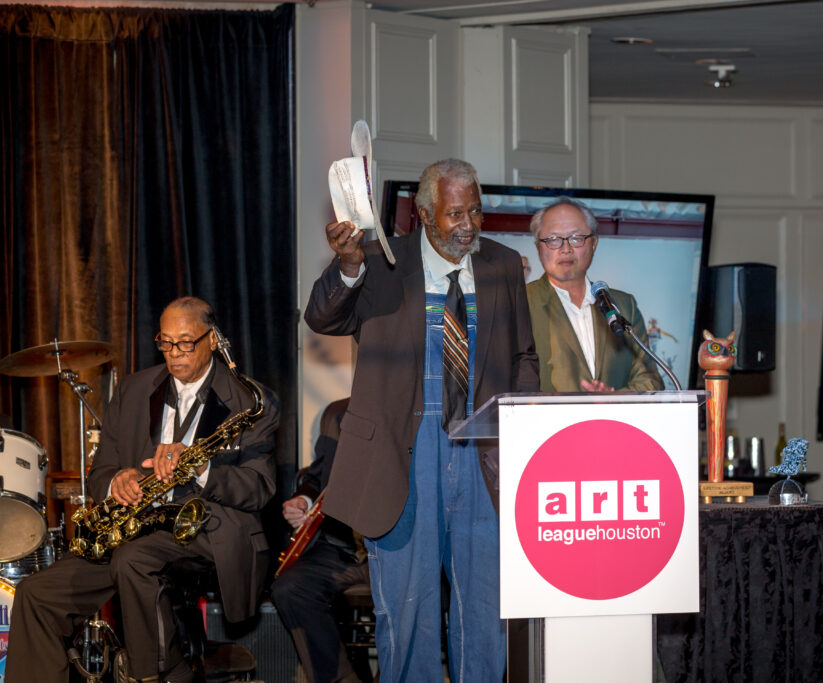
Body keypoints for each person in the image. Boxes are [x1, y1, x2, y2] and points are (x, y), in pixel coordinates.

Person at [303, 158, 539, 682]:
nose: (469, 225)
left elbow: (524, 356)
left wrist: (519, 429)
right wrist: (347, 265)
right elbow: (323, 317)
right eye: (456, 214)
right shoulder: (379, 260)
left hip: (483, 456)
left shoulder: (501, 264)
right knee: (407, 613)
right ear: (425, 216)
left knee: (485, 611)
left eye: (476, 211)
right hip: (403, 455)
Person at [6, 297, 280, 683]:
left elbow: (260, 488)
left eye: (185, 342)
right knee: (36, 594)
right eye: (165, 342)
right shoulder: (135, 389)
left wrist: (203, 467)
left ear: (213, 340)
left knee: (134, 559)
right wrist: (116, 479)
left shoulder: (252, 401)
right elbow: (101, 470)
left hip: (208, 528)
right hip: (135, 525)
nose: (173, 353)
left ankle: (152, 675)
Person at [271, 398, 371, 683]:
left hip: (397, 551)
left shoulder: (417, 409)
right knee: (291, 588)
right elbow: (317, 476)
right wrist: (303, 500)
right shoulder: (338, 413)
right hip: (342, 547)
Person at [525, 196, 663, 392]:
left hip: (613, 422)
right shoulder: (521, 303)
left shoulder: (623, 305)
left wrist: (615, 400)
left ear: (594, 243)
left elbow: (650, 380)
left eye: (576, 238)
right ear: (539, 247)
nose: (566, 249)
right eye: (553, 239)